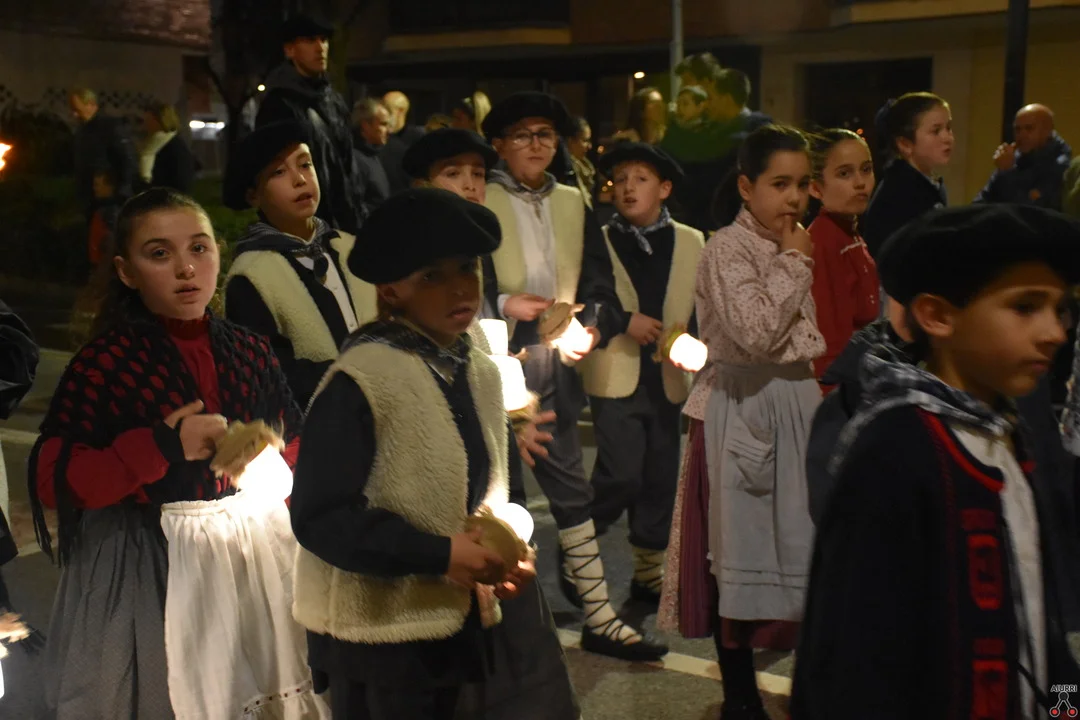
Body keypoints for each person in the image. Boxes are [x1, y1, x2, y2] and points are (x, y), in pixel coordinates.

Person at [30, 189, 322, 718]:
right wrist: (161, 447)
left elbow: (298, 445)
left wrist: (268, 450)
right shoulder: (107, 362)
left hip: (251, 553)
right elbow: (54, 479)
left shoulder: (249, 350)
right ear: (126, 271)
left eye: (199, 248)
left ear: (218, 254)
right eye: (160, 254)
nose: (186, 268)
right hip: (147, 563)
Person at [791, 204, 1080, 718]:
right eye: (1025, 307)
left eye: (1060, 310)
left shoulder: (1007, 435)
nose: (1054, 332)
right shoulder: (895, 450)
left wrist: (1066, 710)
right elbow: (854, 656)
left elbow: (1043, 622)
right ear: (938, 316)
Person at [290, 189, 535, 719]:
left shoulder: (478, 369)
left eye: (468, 267)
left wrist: (508, 549)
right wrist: (439, 554)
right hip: (379, 638)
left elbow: (495, 491)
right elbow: (320, 517)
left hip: (454, 624)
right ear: (390, 290)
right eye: (431, 276)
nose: (460, 287)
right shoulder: (362, 378)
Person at [401, 127, 581, 720]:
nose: (470, 184)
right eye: (453, 173)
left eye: (477, 173)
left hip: (491, 446)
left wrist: (513, 414)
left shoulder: (478, 249)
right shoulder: (408, 262)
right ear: (422, 184)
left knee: (510, 595)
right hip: (440, 462)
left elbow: (486, 348)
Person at [481, 91, 667, 661]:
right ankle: (501, 623)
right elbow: (471, 280)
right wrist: (506, 305)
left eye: (545, 134)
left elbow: (598, 281)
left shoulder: (571, 200)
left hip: (553, 359)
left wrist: (591, 323)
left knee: (569, 488)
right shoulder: (482, 196)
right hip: (492, 358)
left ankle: (597, 615)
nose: (536, 144)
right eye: (522, 135)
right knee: (493, 493)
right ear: (500, 146)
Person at [659, 124, 824, 720]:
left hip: (794, 400)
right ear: (746, 187)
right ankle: (740, 697)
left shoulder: (792, 242)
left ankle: (809, 684)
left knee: (802, 544)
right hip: (743, 405)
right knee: (738, 549)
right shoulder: (728, 248)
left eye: (802, 183)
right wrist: (794, 262)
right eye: (779, 184)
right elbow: (756, 332)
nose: (794, 197)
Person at [582, 142, 705, 606]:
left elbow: (700, 307)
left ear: (664, 188)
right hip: (615, 371)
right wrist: (623, 320)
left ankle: (649, 571)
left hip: (668, 377)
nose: (628, 188)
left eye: (641, 179)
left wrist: (691, 343)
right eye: (620, 180)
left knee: (659, 475)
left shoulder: (691, 240)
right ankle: (580, 543)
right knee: (620, 472)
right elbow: (589, 297)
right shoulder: (600, 238)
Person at [223, 121, 377, 410]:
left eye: (305, 165)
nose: (300, 179)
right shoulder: (252, 275)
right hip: (324, 419)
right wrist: (359, 377)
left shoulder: (349, 247)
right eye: (278, 172)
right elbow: (272, 373)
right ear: (253, 195)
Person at [257, 13, 363, 234]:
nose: (320, 47)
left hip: (345, 222)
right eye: (310, 40)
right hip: (308, 225)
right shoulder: (279, 104)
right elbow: (276, 174)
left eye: (323, 40)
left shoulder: (333, 100)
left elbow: (347, 164)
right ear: (290, 50)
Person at [807, 129, 880, 382]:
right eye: (844, 174)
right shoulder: (823, 242)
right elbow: (828, 343)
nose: (860, 182)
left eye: (866, 169)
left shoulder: (849, 234)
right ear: (816, 187)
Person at [862, 92, 953, 258]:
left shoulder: (926, 184)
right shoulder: (900, 193)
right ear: (905, 144)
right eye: (936, 131)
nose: (948, 138)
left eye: (948, 128)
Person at [975, 103, 1072, 209]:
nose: (1022, 135)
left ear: (1048, 131)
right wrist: (1002, 172)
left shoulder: (1060, 166)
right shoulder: (1013, 158)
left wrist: (1007, 172)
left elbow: (1031, 212)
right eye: (1017, 129)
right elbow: (980, 202)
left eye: (1029, 128)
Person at [69, 88, 137, 222]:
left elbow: (127, 159)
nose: (74, 115)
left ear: (91, 104)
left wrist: (121, 191)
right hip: (90, 196)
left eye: (78, 110)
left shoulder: (110, 127)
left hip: (109, 197)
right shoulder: (82, 130)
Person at [139, 102, 197, 193]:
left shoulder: (173, 146)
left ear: (160, 121)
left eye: (149, 119)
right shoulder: (154, 144)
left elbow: (180, 180)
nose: (145, 123)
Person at [381, 90, 426, 194]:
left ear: (400, 111)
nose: (382, 112)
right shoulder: (379, 136)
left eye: (387, 108)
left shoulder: (418, 138)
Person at [353, 97, 392, 215]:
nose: (389, 131)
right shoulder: (355, 159)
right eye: (383, 124)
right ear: (365, 125)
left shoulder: (372, 155)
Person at [567, 116, 597, 208]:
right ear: (570, 141)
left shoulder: (584, 169)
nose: (589, 146)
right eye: (585, 141)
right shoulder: (567, 173)